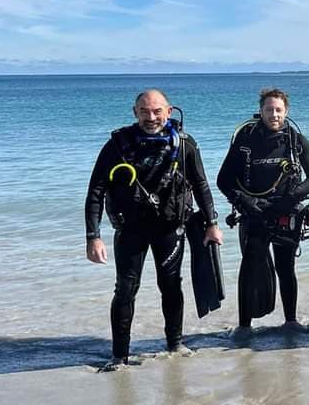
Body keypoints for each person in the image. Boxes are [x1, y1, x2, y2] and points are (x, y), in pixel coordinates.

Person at [85, 89, 222, 370]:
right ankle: (119, 356)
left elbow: (201, 185)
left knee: (171, 286)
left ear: (169, 111)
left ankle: (175, 344)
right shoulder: (118, 145)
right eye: (145, 111)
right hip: (130, 230)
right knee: (125, 289)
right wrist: (93, 236)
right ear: (134, 112)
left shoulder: (184, 145)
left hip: (170, 228)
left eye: (157, 111)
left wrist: (212, 224)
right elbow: (96, 191)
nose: (151, 117)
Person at [218, 88, 309, 337]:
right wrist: (244, 200)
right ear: (261, 110)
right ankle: (243, 327)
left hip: (285, 211)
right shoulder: (246, 139)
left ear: (286, 111)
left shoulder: (295, 140)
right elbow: (223, 180)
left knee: (286, 267)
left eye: (278, 110)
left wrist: (292, 197)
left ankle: (291, 322)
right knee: (250, 267)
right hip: (254, 212)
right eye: (269, 109)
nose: (273, 114)